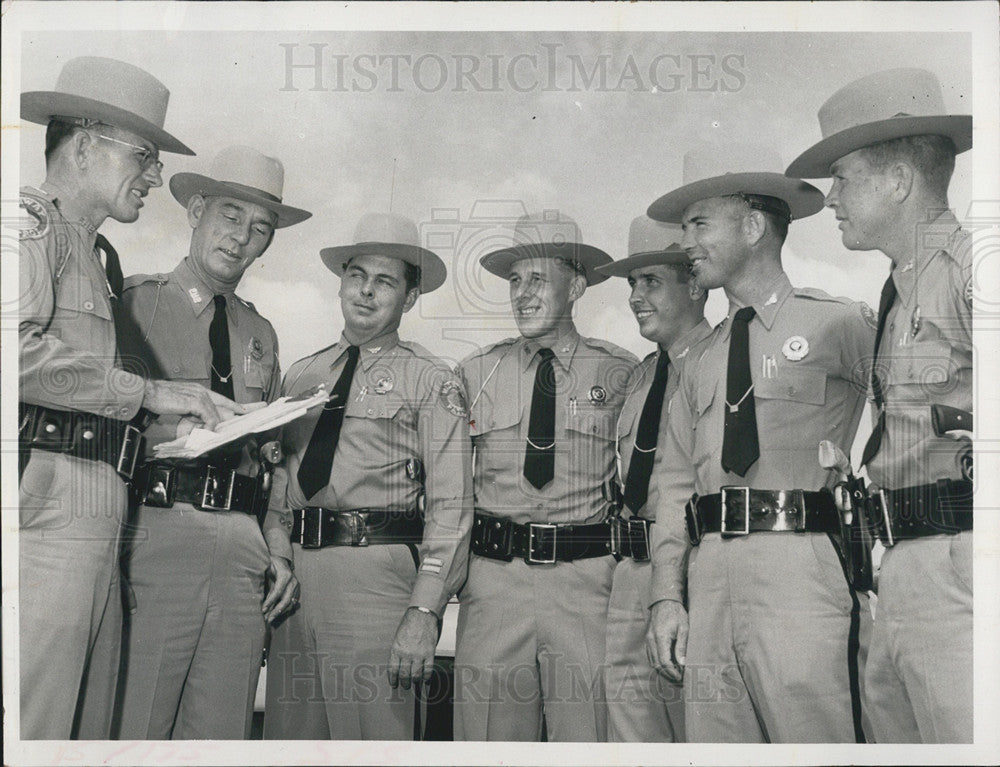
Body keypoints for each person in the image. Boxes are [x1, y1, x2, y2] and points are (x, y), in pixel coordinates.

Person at [18, 55, 243, 740]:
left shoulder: (97, 256)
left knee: (86, 731)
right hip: (52, 519)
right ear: (85, 146)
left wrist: (182, 419)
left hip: (98, 516)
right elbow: (14, 353)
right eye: (144, 157)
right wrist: (149, 392)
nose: (155, 178)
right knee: (38, 721)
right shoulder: (29, 228)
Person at [643, 145, 876, 742]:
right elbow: (672, 489)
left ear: (752, 227)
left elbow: (905, 415)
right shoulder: (699, 361)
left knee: (813, 740)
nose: (686, 242)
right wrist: (667, 597)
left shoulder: (838, 324)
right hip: (711, 574)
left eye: (700, 224)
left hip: (800, 567)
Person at [786, 68, 974, 743]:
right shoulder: (902, 289)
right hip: (900, 566)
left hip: (960, 563)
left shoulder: (971, 269)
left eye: (843, 177)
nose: (832, 198)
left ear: (897, 180)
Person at [113, 145, 311, 738]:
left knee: (220, 733)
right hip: (156, 535)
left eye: (260, 228)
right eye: (229, 215)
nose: (241, 238)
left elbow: (274, 462)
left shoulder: (261, 333)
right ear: (196, 208)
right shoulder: (135, 303)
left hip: (243, 550)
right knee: (134, 727)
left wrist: (276, 548)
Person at [263, 212, 472, 740]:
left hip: (375, 584)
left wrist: (425, 609)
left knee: (375, 745)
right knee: (290, 742)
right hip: (296, 584)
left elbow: (452, 506)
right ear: (341, 282)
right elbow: (281, 487)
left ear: (410, 297)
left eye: (385, 281)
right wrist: (277, 553)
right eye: (356, 275)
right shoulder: (302, 375)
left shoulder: (430, 378)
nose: (366, 291)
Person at [453, 211, 637, 742]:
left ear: (576, 285)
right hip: (494, 583)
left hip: (585, 584)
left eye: (538, 279)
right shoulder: (474, 372)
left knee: (591, 741)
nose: (522, 294)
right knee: (487, 742)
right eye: (515, 280)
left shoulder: (620, 371)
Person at [594, 216, 712, 742]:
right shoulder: (640, 377)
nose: (636, 297)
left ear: (694, 283)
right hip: (630, 576)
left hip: (693, 574)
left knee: (703, 731)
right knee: (631, 736)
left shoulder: (727, 361)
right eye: (632, 285)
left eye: (651, 282)